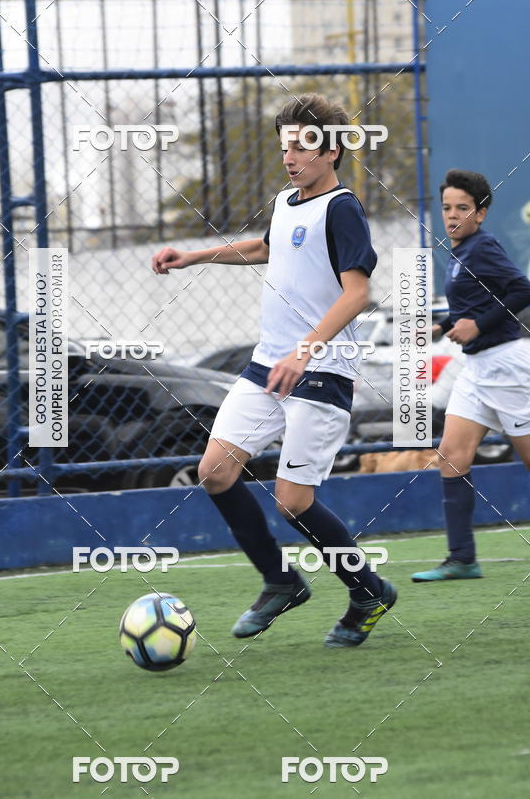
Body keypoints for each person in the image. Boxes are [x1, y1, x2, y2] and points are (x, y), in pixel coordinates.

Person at [152, 93, 396, 647]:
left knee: (294, 502)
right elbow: (266, 248)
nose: (290, 156)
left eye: (303, 146)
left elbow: (358, 293)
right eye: (285, 145)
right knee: (214, 472)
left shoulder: (343, 209)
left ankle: (368, 590)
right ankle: (280, 581)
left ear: (332, 151)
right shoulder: (287, 201)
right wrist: (193, 257)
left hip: (320, 370)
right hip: (268, 365)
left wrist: (304, 350)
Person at [412, 169, 530, 582]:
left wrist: (477, 325)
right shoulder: (461, 251)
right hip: (477, 369)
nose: (452, 216)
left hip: (507, 367)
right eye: (446, 208)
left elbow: (521, 290)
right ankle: (462, 558)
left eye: (463, 208)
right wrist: (442, 326)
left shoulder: (483, 247)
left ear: (480, 213)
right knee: (450, 456)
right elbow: (476, 300)